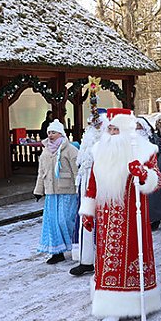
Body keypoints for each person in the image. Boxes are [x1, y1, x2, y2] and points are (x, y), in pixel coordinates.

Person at [78, 108, 161, 321]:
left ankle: (138, 301)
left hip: (132, 215)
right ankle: (111, 307)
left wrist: (143, 174)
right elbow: (93, 183)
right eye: (110, 128)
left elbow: (156, 181)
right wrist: (87, 210)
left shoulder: (143, 150)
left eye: (116, 129)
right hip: (106, 216)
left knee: (133, 255)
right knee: (108, 258)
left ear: (126, 129)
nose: (112, 132)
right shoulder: (99, 150)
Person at [33, 120, 80, 264]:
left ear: (61, 133)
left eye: (53, 132)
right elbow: (41, 172)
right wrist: (38, 190)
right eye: (49, 132)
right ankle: (57, 252)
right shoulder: (46, 151)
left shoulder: (70, 150)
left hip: (68, 191)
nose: (51, 135)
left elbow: (77, 171)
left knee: (65, 220)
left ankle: (77, 246)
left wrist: (80, 188)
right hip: (51, 192)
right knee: (52, 223)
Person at [70, 112, 106, 277]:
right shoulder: (88, 138)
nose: (95, 126)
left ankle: (103, 260)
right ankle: (86, 261)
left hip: (103, 185)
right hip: (86, 183)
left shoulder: (108, 140)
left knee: (102, 224)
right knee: (85, 221)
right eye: (93, 123)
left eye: (98, 123)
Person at [137, 117, 161, 231]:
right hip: (137, 173)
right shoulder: (131, 140)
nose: (137, 128)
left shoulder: (153, 139)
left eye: (139, 126)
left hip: (151, 171)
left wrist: (158, 168)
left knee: (153, 200)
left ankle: (155, 220)